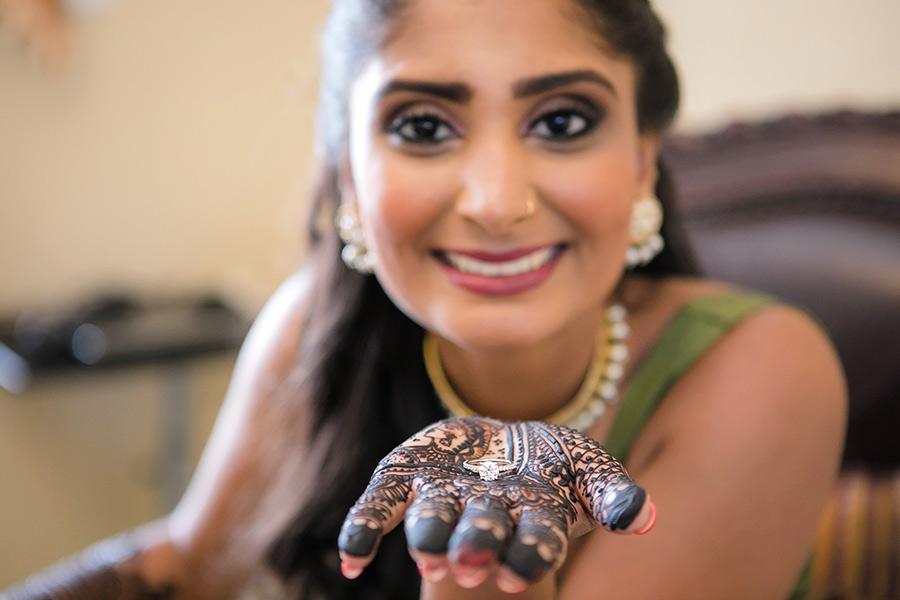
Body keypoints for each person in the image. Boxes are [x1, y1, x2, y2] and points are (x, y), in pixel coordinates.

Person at [2, 0, 847, 599]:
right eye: (421, 127)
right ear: (349, 183)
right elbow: (185, 567)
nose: (494, 202)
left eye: (561, 122)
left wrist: (473, 564)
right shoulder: (312, 330)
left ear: (640, 159)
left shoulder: (766, 372)